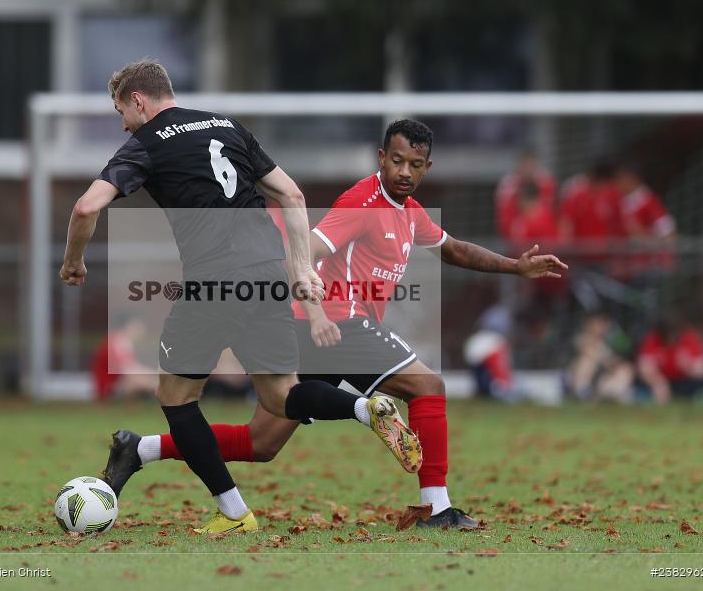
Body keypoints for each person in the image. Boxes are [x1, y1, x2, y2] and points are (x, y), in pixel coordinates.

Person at [104, 119, 568, 530]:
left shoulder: (410, 213)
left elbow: (455, 249)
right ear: (382, 158)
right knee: (429, 387)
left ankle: (139, 449)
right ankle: (437, 508)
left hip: (315, 331)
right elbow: (306, 253)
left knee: (261, 442)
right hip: (339, 325)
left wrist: (515, 266)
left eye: (416, 164)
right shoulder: (362, 202)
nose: (405, 171)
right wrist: (321, 311)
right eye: (398, 161)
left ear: (426, 167)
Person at [60, 60, 421, 536]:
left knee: (177, 396)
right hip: (267, 274)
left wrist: (74, 262)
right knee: (279, 394)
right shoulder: (228, 127)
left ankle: (234, 513)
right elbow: (291, 196)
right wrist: (296, 267)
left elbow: (87, 206)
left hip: (214, 280)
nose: (122, 121)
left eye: (120, 110)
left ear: (139, 100)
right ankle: (362, 407)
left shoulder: (144, 144)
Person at [637, 313, 703, 403]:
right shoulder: (652, 339)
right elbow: (644, 368)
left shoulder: (690, 338)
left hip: (685, 381)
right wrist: (656, 381)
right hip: (661, 382)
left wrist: (690, 367)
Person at [563, 311, 634, 402]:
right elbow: (589, 352)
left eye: (604, 323)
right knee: (588, 361)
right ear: (589, 324)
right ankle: (581, 392)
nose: (602, 327)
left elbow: (610, 361)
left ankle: (613, 393)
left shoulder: (606, 343)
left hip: (598, 380)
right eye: (599, 323)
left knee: (625, 368)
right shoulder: (580, 338)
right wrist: (608, 361)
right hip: (574, 379)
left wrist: (614, 363)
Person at [90, 313, 156, 400]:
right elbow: (129, 370)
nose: (141, 330)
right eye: (137, 326)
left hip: (114, 384)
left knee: (150, 380)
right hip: (109, 388)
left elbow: (132, 367)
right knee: (149, 382)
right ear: (127, 326)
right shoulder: (117, 342)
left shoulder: (121, 341)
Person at [495, 150, 556, 240]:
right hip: (514, 236)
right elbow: (503, 218)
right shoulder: (508, 186)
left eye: (531, 165)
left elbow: (552, 211)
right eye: (526, 165)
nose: (528, 169)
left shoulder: (546, 182)